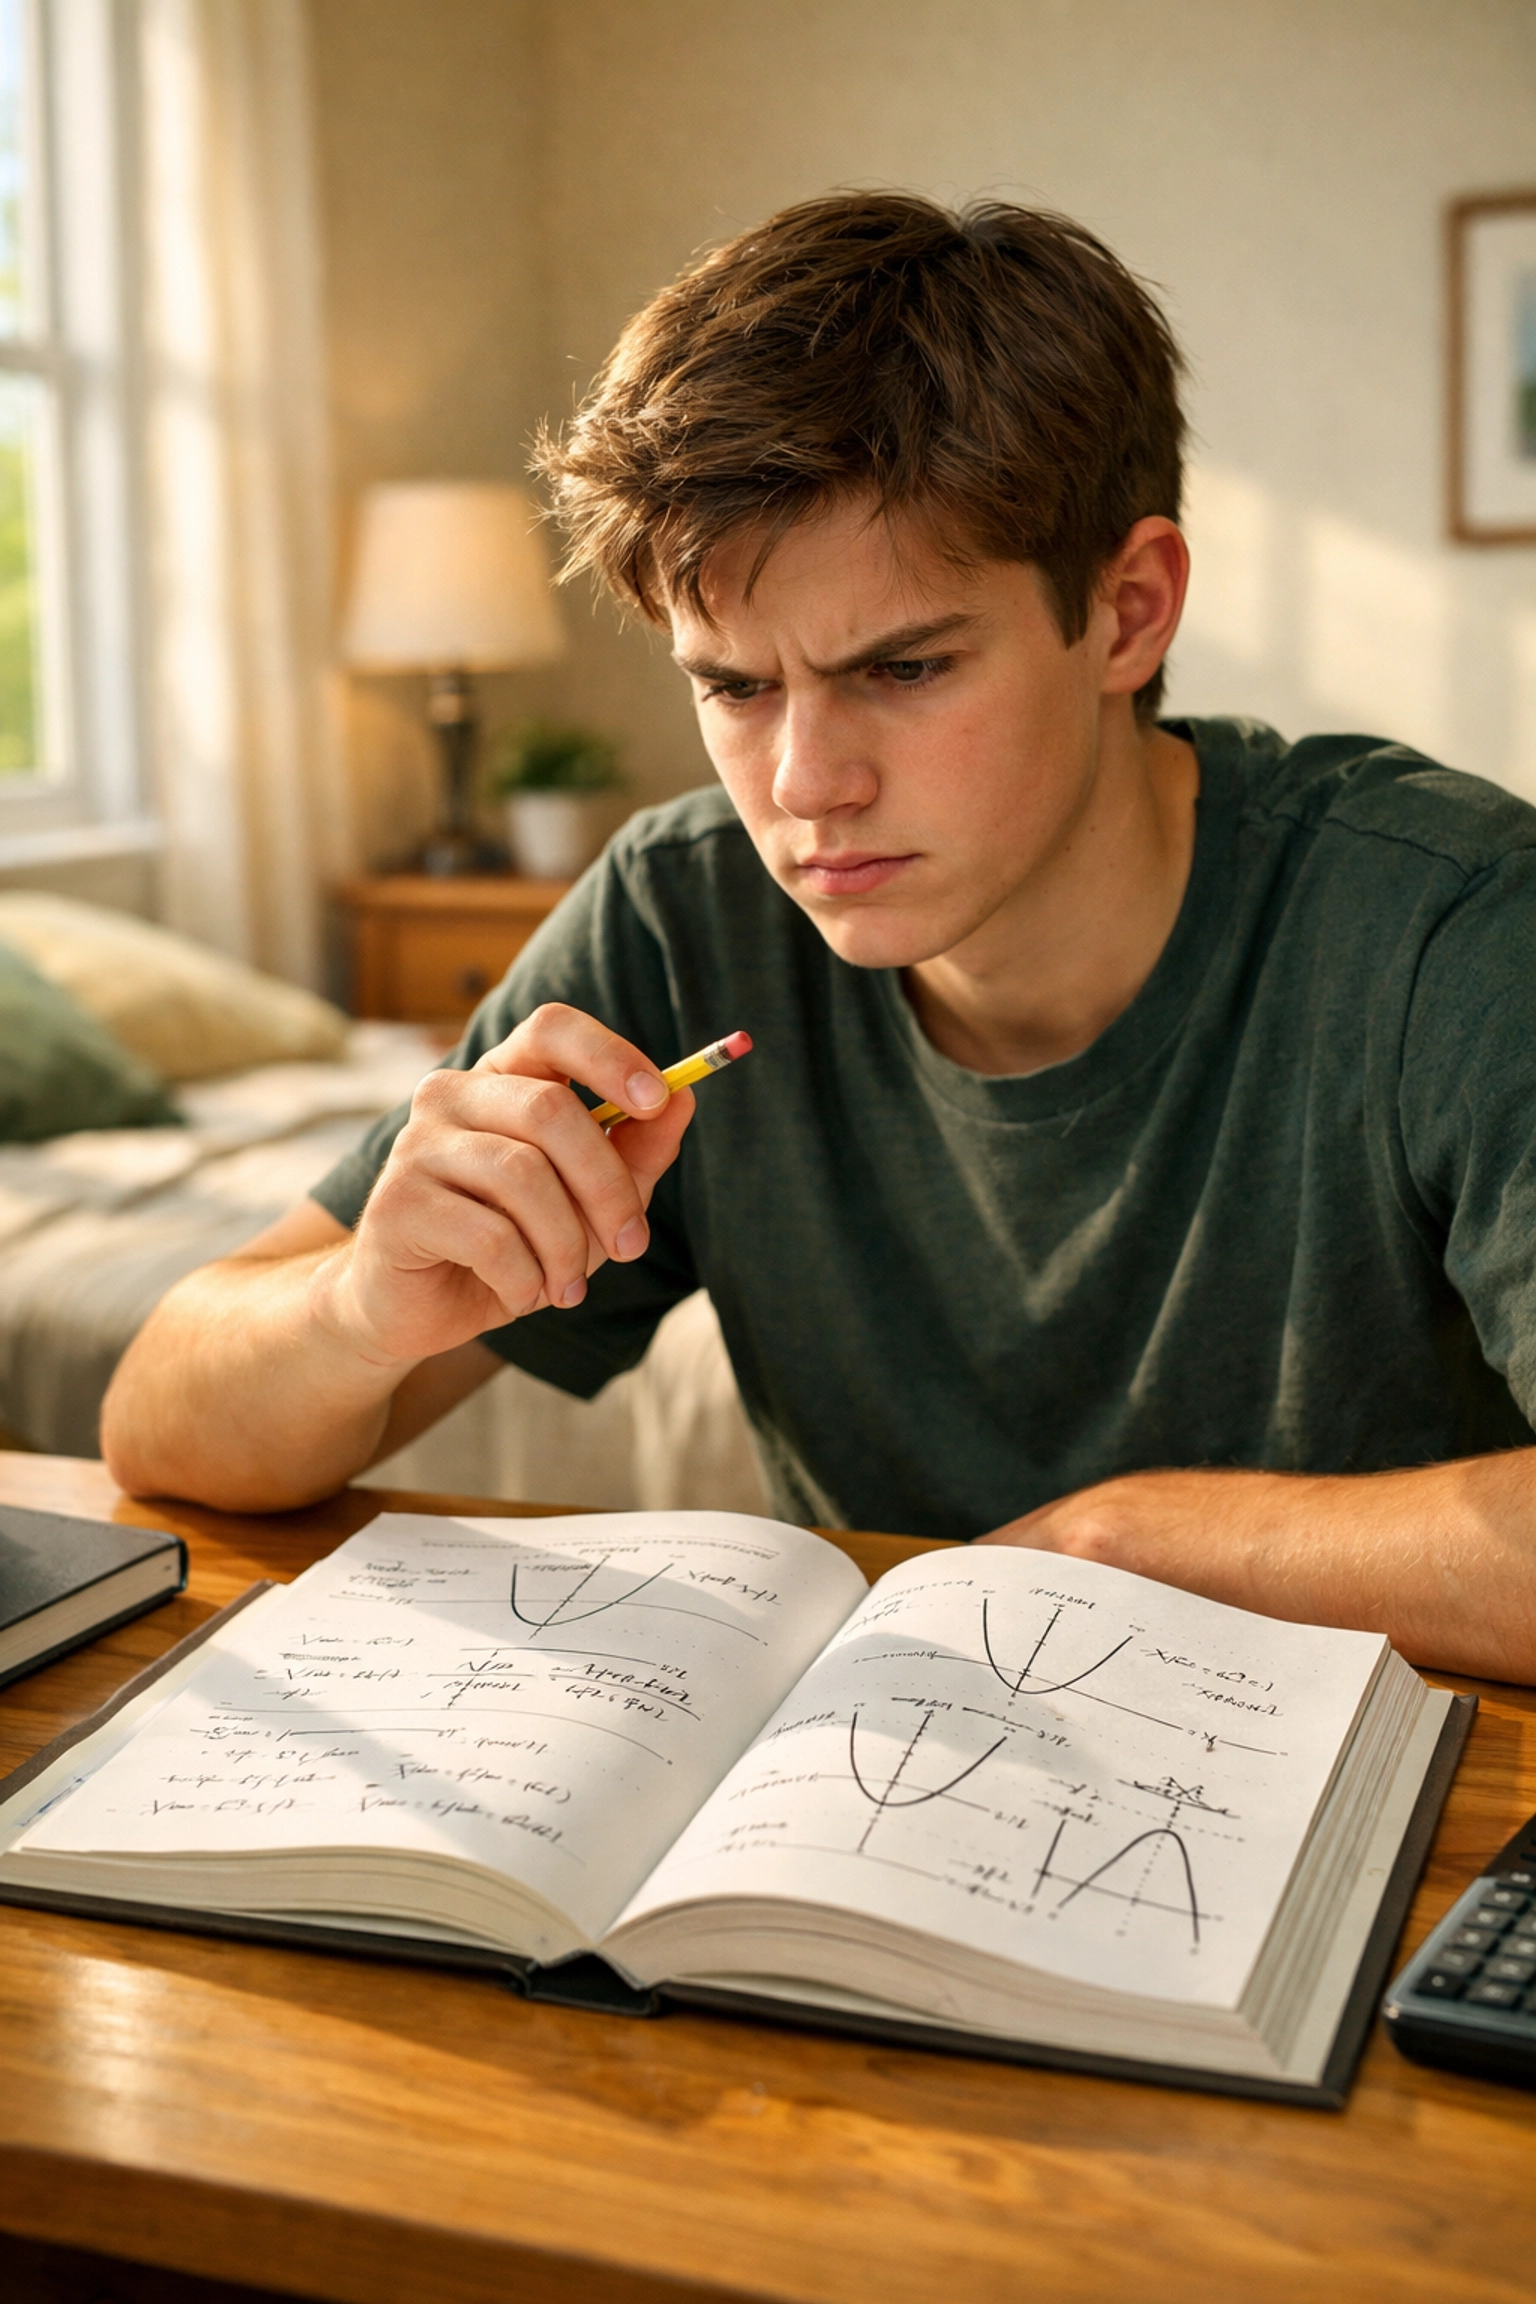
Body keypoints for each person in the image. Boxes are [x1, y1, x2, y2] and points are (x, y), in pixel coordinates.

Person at [103, 192, 1536, 1681]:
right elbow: (154, 1424)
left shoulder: (1455, 925)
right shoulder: (686, 913)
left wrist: (1120, 1550)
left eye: (904, 667)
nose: (805, 791)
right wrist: (357, 1310)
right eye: (733, 687)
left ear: (1127, 611)